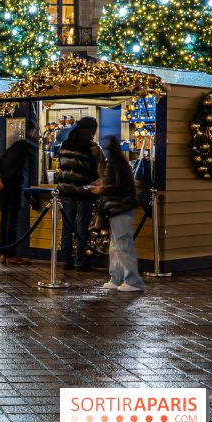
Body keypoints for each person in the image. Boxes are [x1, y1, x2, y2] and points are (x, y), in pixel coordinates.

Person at [90, 137, 144, 292]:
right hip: (118, 207)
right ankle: (116, 278)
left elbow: (118, 186)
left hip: (120, 207)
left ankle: (133, 281)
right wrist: (103, 184)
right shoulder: (116, 162)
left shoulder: (116, 164)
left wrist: (102, 188)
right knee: (116, 246)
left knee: (122, 244)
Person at [58, 117, 104, 270]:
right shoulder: (93, 148)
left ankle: (65, 260)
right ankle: (80, 261)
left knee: (67, 226)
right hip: (83, 190)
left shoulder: (65, 144)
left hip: (65, 190)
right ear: (92, 130)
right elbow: (102, 170)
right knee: (82, 227)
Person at [0, 126, 37, 266]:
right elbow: (18, 171)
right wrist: (5, 181)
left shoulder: (10, 151)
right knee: (12, 223)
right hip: (14, 191)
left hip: (3, 192)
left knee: (4, 221)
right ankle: (11, 255)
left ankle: (3, 253)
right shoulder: (25, 151)